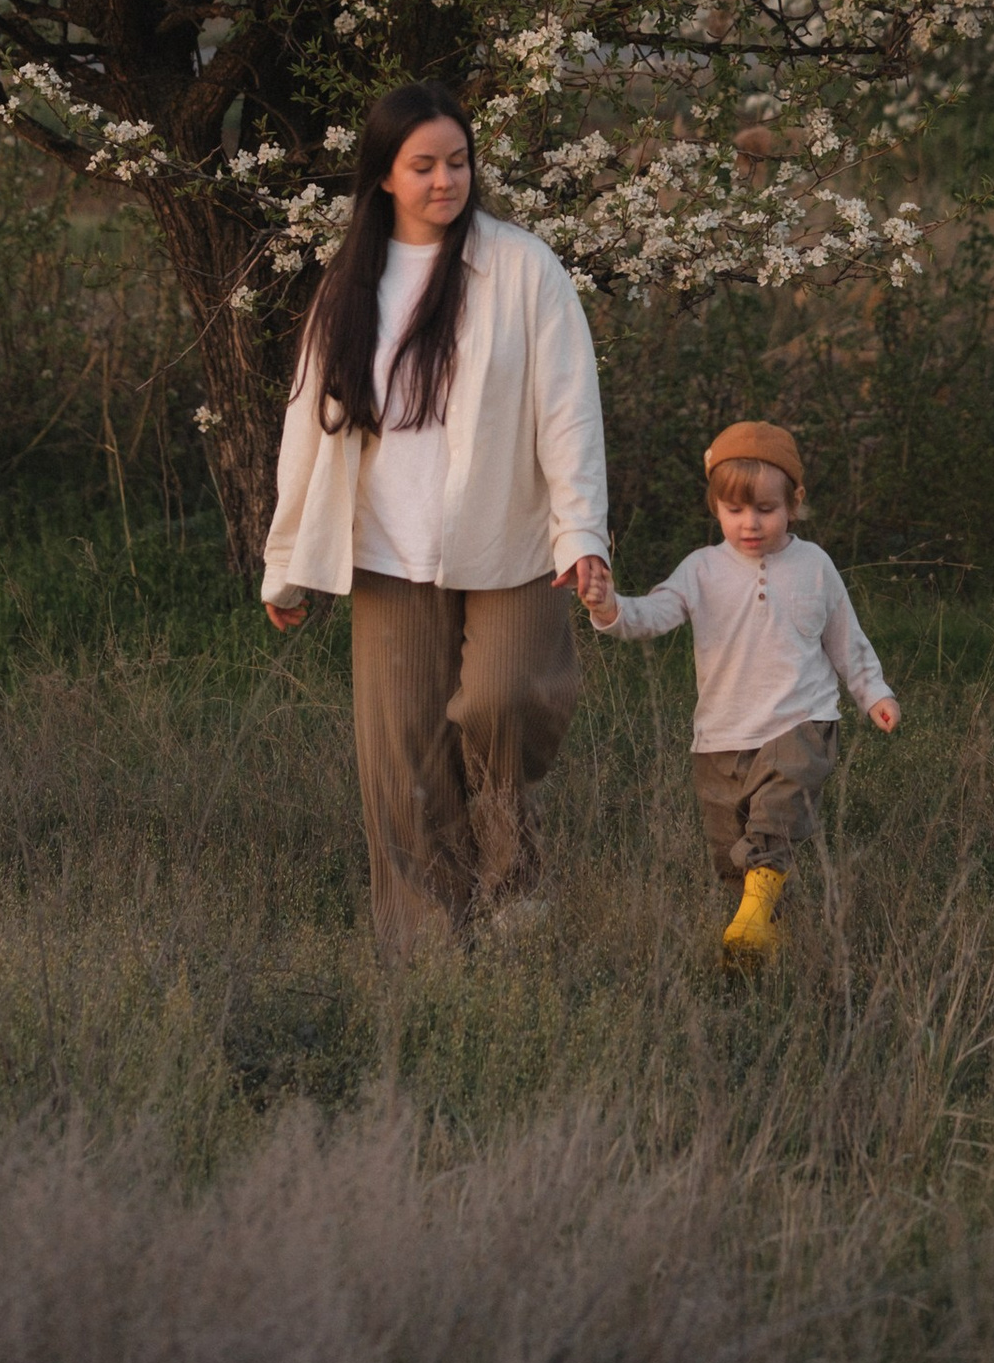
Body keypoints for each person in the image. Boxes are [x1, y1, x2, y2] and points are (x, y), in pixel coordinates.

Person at [261, 80, 612, 956]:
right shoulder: (348, 284)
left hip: (512, 537)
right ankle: (427, 945)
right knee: (406, 753)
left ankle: (513, 885)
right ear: (383, 174)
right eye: (423, 166)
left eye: (457, 162)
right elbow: (307, 425)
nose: (445, 181)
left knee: (505, 698)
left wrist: (582, 534)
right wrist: (287, 563)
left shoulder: (523, 268)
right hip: (387, 548)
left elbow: (569, 411)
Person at [581, 418, 897, 962]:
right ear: (716, 507)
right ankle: (764, 939)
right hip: (721, 736)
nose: (750, 523)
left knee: (775, 819)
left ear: (794, 503)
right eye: (734, 510)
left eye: (765, 510)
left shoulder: (814, 565)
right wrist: (609, 607)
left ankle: (755, 923)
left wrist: (874, 693)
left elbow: (846, 638)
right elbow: (652, 615)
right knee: (732, 856)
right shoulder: (702, 569)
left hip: (800, 721)